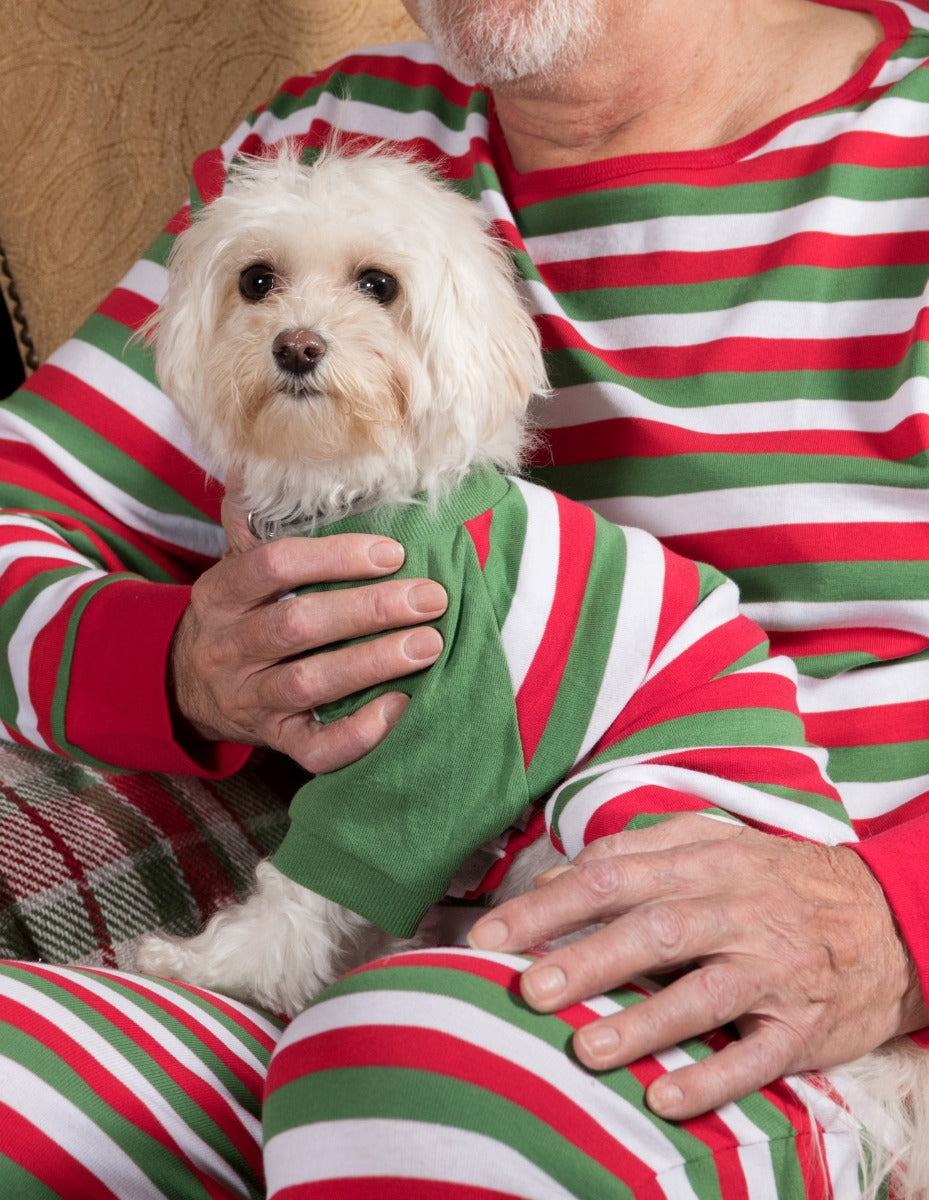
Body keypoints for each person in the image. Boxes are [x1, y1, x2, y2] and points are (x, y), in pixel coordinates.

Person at [0, 0, 928, 1195]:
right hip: (381, 947)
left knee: (411, 1086)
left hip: (799, 1022)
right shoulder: (323, 148)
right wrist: (186, 667)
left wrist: (895, 924)